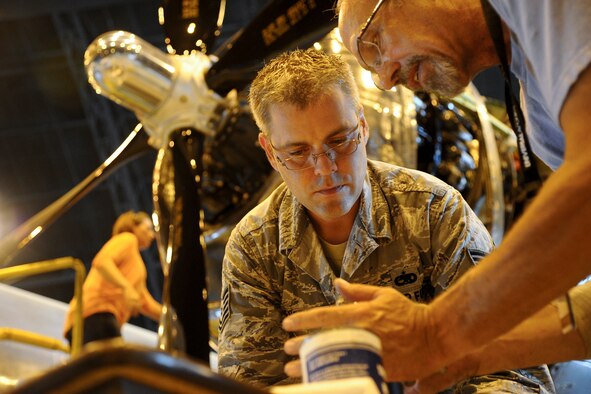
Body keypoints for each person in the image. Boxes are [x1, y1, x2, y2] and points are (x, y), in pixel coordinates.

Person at [281, 0, 591, 390]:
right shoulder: (538, 110)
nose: (386, 80)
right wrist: (462, 354)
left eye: (374, 42)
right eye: (369, 68)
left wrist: (436, 332)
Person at [217, 48, 554, 392]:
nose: (325, 168)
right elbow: (248, 384)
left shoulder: (433, 211)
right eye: (298, 152)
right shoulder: (254, 247)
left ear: (362, 127)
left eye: (339, 140)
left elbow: (515, 373)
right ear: (271, 152)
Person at [63, 210, 162, 346]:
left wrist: (172, 318)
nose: (152, 235)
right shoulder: (128, 238)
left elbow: (143, 301)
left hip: (91, 317)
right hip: (96, 314)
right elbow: (102, 261)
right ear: (133, 226)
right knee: (117, 365)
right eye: (148, 228)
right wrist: (126, 287)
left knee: (104, 366)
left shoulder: (135, 262)